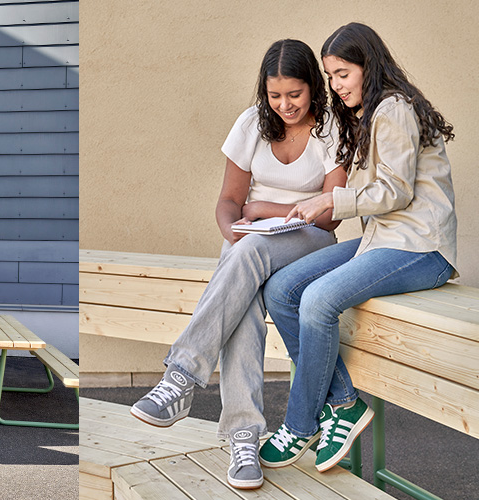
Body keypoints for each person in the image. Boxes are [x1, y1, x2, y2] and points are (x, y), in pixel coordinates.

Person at [129, 39, 346, 489]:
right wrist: (234, 232)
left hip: (311, 238)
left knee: (247, 256)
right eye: (275, 95)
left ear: (313, 87)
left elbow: (330, 212)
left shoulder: (332, 128)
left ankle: (182, 376)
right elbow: (229, 200)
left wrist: (263, 210)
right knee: (243, 300)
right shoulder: (251, 123)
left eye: (295, 94)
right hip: (254, 242)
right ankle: (244, 438)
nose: (285, 105)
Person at [258, 23, 458, 473]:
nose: (336, 85)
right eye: (330, 76)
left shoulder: (394, 109)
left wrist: (331, 200)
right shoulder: (367, 113)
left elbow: (396, 192)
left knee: (317, 300)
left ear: (369, 66)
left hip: (421, 248)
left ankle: (300, 423)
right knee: (281, 290)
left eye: (343, 73)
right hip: (381, 241)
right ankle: (343, 403)